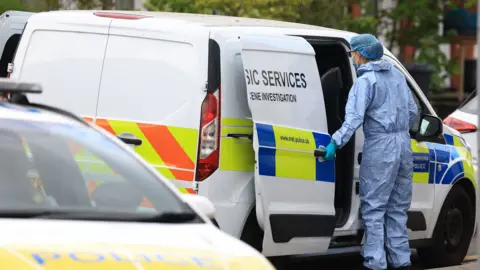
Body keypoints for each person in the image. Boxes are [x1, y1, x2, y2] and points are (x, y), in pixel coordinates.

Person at [324, 34, 418, 270]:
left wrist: (335, 142)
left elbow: (353, 119)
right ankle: (402, 262)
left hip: (381, 148)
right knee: (397, 209)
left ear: (360, 54)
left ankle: (376, 263)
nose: (352, 58)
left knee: (374, 209)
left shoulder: (365, 83)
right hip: (404, 145)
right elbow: (414, 112)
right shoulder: (397, 76)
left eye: (352, 53)